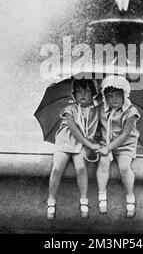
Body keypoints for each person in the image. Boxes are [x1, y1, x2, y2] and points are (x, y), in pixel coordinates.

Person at [46, 78, 101, 220]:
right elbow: (75, 131)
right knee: (57, 168)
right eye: (78, 91)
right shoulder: (69, 109)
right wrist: (90, 145)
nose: (82, 94)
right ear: (74, 95)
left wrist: (97, 142)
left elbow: (97, 129)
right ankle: (51, 200)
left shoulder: (96, 111)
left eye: (86, 91)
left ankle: (84, 201)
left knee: (81, 168)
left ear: (93, 93)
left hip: (82, 145)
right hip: (65, 141)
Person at [95, 75, 140, 219]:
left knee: (124, 167)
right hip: (106, 142)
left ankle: (130, 196)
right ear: (104, 97)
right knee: (103, 163)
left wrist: (108, 148)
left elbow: (125, 135)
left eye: (117, 95)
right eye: (109, 96)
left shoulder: (130, 111)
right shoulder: (101, 109)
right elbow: (96, 126)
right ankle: (102, 194)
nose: (114, 99)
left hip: (124, 144)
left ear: (124, 94)